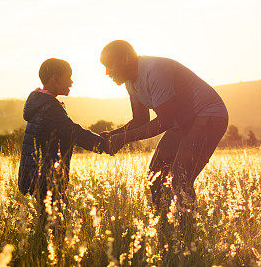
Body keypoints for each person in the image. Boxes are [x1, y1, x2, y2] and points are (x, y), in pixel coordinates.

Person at [100, 40, 229, 211]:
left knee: (180, 179)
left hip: (208, 115)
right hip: (182, 122)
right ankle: (163, 229)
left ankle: (189, 234)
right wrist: (113, 134)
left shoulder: (154, 71)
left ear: (125, 59)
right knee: (156, 176)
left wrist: (122, 138)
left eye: (109, 65)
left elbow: (165, 121)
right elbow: (140, 120)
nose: (107, 72)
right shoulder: (130, 83)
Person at [17, 58, 110, 220]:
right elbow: (73, 132)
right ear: (55, 78)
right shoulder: (50, 107)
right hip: (45, 178)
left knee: (52, 221)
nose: (72, 82)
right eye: (69, 77)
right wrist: (105, 145)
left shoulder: (41, 103)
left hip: (36, 175)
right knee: (58, 224)